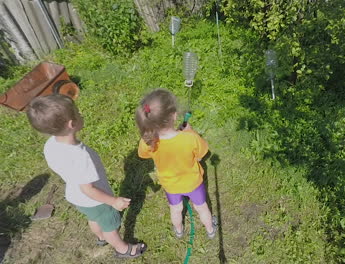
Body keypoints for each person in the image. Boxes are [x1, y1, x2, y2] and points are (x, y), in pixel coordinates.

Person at [26, 94, 147, 258]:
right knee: (109, 224)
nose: (80, 114)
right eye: (78, 112)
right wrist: (113, 201)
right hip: (95, 199)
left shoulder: (51, 145)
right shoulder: (81, 157)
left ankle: (100, 237)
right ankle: (123, 249)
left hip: (76, 196)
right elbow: (88, 189)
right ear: (72, 124)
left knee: (93, 218)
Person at [135, 88, 217, 239]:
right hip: (193, 183)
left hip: (170, 185)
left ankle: (179, 231)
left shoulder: (148, 141)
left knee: (176, 209)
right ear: (174, 115)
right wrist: (190, 132)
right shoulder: (189, 138)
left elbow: (142, 154)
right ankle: (210, 230)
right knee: (201, 207)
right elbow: (202, 153)